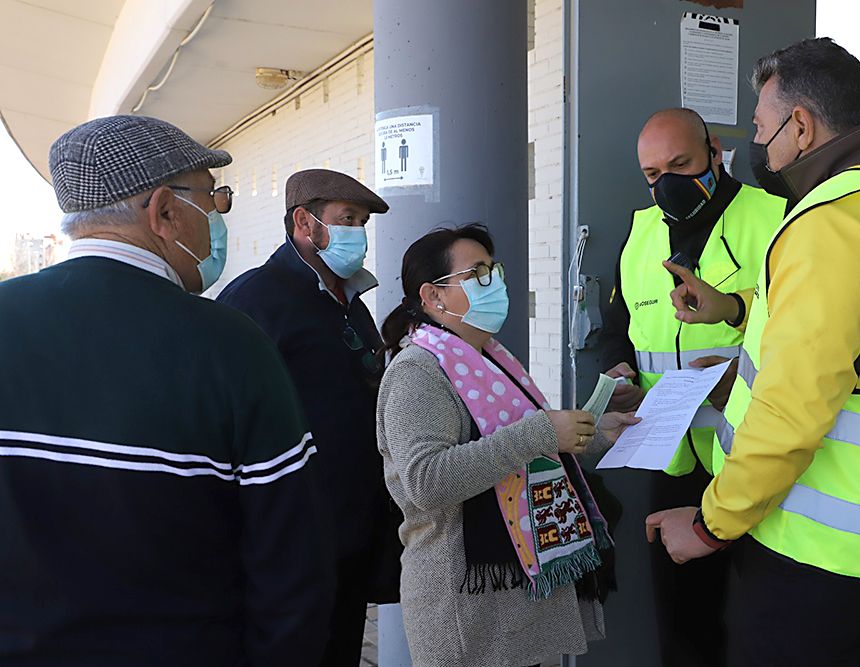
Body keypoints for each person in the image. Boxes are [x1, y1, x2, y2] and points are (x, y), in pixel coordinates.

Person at [645, 38, 860, 667]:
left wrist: (713, 524)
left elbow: (791, 413)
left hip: (813, 558)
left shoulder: (829, 221)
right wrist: (738, 314)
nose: (758, 149)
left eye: (763, 130)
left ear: (801, 125)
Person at [0, 115, 331, 665]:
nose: (219, 216)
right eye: (214, 199)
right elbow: (293, 566)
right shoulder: (229, 344)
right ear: (165, 212)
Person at [376, 224, 639, 667]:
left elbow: (527, 445)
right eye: (476, 273)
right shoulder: (417, 372)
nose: (494, 281)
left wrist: (594, 431)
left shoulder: (489, 358)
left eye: (493, 269)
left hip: (514, 597)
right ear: (433, 296)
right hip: (465, 603)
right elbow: (427, 481)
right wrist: (542, 432)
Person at [600, 107, 784, 664]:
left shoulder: (777, 218)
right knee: (683, 625)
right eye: (654, 174)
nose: (668, 183)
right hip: (673, 458)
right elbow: (618, 328)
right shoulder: (640, 232)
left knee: (766, 618)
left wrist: (732, 317)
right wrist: (619, 369)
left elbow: (806, 332)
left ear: (714, 150)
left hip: (759, 453)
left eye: (681, 164)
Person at [217, 168, 399, 667]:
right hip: (293, 541)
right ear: (305, 222)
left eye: (362, 222)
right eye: (347, 219)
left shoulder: (350, 304)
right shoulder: (257, 299)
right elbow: (227, 416)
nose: (357, 232)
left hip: (352, 534)